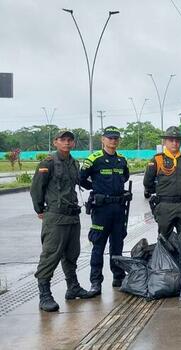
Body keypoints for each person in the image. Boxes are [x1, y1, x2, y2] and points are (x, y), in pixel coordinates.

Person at [30, 130, 91, 312]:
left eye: (69, 140)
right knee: (51, 255)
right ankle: (44, 295)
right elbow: (36, 188)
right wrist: (40, 209)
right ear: (55, 142)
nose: (66, 143)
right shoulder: (48, 163)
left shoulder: (74, 163)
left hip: (72, 215)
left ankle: (72, 287)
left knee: (72, 253)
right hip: (55, 217)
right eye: (62, 140)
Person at [80, 126, 131, 297]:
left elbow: (125, 177)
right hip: (101, 209)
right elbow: (81, 178)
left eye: (116, 138)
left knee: (118, 244)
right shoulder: (94, 159)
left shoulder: (122, 160)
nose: (113, 141)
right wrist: (95, 188)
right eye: (109, 138)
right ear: (103, 140)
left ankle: (118, 277)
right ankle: (96, 282)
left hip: (118, 208)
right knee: (98, 245)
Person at [143, 126, 181, 238]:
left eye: (177, 141)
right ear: (165, 142)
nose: (174, 143)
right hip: (165, 206)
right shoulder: (157, 160)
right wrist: (163, 192)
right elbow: (148, 182)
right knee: (165, 240)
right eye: (171, 140)